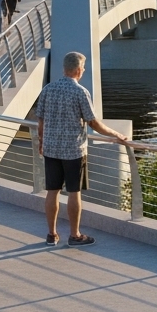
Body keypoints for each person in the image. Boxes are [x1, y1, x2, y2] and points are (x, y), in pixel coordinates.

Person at [36, 52, 129, 247]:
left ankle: (52, 234)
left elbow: (41, 119)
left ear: (64, 68)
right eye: (83, 68)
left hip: (51, 149)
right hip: (73, 151)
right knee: (74, 192)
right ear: (78, 70)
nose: (84, 71)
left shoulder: (48, 89)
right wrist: (116, 135)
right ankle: (74, 234)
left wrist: (42, 142)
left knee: (52, 191)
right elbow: (93, 123)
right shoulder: (80, 92)